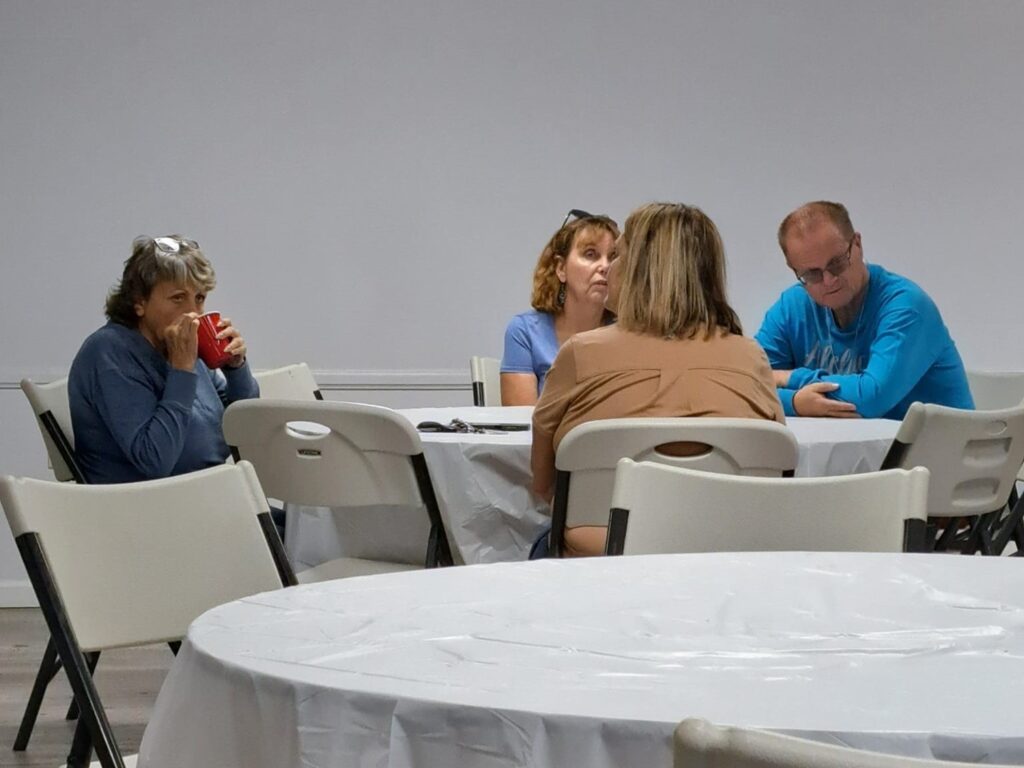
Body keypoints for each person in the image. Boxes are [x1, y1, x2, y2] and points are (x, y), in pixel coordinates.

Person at [532, 203, 784, 557]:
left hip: (602, 563)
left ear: (637, 270)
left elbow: (544, 484)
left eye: (617, 254)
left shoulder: (581, 354)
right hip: (726, 559)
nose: (609, 268)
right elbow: (775, 476)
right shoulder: (752, 359)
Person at [69, 235, 260, 484]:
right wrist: (181, 369)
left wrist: (236, 368)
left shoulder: (179, 345)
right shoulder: (109, 352)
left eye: (199, 298)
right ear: (139, 301)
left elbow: (246, 430)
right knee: (303, 521)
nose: (193, 313)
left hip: (209, 492)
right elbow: (154, 460)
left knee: (310, 517)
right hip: (149, 506)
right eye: (178, 298)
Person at [755, 201, 973, 419]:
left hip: (941, 450)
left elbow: (871, 399)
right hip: (866, 451)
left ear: (857, 244)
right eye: (812, 274)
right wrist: (795, 402)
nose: (829, 280)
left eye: (837, 263)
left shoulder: (906, 306)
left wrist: (789, 378)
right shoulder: (792, 307)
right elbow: (742, 386)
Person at [500, 211, 619, 405]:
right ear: (561, 269)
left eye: (613, 257)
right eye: (591, 254)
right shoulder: (525, 331)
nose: (605, 266)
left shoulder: (629, 332)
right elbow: (522, 424)